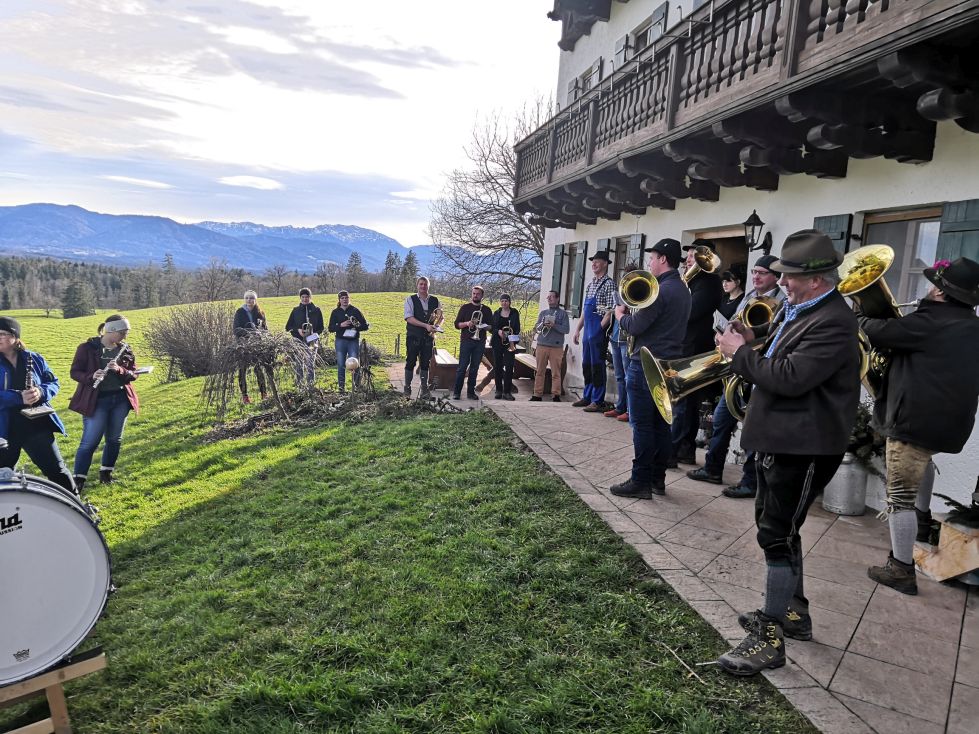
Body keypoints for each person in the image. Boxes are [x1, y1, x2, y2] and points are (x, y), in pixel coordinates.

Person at [713, 230, 860, 677]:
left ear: (816, 279)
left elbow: (791, 377)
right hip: (784, 440)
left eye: (790, 276)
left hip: (804, 446)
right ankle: (794, 613)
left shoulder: (834, 321)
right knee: (779, 528)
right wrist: (751, 335)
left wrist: (741, 355)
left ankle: (770, 637)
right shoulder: (804, 308)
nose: (782, 283)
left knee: (776, 535)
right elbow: (782, 349)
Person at [860, 257, 979, 594]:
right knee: (923, 463)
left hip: (913, 422)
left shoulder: (929, 320)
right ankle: (923, 522)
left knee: (899, 496)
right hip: (948, 425)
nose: (928, 288)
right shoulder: (972, 326)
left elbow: (874, 332)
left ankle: (900, 568)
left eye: (933, 284)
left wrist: (858, 317)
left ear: (940, 292)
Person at [687, 255, 786, 497]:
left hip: (759, 370)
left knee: (753, 427)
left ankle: (750, 481)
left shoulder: (783, 301)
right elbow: (736, 322)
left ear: (776, 277)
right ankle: (712, 469)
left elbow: (773, 337)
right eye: (754, 271)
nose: (756, 276)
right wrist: (725, 334)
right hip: (738, 370)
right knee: (722, 419)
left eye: (761, 272)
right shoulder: (749, 296)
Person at [610, 239, 691, 498]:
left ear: (663, 259)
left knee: (642, 425)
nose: (649, 263)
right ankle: (657, 479)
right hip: (669, 366)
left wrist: (620, 315)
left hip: (645, 364)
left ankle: (640, 481)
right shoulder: (683, 289)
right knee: (661, 425)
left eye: (652, 258)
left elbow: (635, 327)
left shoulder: (659, 291)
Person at [0, 316, 75, 494]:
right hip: (4, 430)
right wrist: (18, 397)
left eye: (2, 334)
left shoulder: (34, 358)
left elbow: (53, 383)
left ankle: (75, 505)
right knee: (3, 476)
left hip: (37, 425)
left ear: (15, 336)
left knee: (57, 472)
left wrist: (41, 392)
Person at [69, 314, 140, 490]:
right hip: (96, 401)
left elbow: (133, 374)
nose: (125, 336)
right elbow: (75, 372)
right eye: (122, 332)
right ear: (111, 331)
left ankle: (106, 475)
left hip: (120, 400)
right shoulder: (87, 348)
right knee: (90, 442)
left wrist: (120, 370)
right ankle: (78, 481)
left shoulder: (125, 349)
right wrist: (91, 376)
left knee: (114, 440)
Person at [671, 239, 724, 466]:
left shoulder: (710, 282)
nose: (688, 259)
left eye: (693, 255)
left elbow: (689, 312)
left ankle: (676, 450)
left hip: (694, 348)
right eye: (689, 255)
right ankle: (683, 449)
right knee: (682, 402)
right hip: (685, 345)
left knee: (684, 402)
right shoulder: (692, 281)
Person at [572, 250, 615, 412]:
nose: (594, 264)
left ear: (605, 264)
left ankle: (597, 400)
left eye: (597, 261)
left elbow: (610, 312)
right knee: (586, 365)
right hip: (587, 331)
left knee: (597, 365)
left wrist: (598, 330)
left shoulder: (609, 284)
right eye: (593, 261)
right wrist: (577, 330)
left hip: (598, 331)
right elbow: (585, 311)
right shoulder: (590, 285)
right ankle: (587, 396)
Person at [604, 261, 640, 422]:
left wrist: (626, 308)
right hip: (615, 337)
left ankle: (630, 411)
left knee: (627, 377)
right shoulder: (620, 292)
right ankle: (620, 407)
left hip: (627, 339)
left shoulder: (638, 293)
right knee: (619, 376)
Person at [452, 285, 494, 400]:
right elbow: (457, 324)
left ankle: (470, 392)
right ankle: (457, 392)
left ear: (482, 296)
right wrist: (467, 324)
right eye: (474, 293)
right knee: (462, 367)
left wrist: (483, 326)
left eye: (478, 294)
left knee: (475, 368)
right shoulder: (465, 308)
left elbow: (491, 327)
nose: (475, 296)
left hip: (479, 342)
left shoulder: (486, 310)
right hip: (466, 341)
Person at [403, 276, 440, 399]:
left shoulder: (435, 300)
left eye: (425, 284)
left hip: (428, 338)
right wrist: (426, 326)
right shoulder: (410, 299)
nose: (423, 286)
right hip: (413, 336)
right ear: (417, 285)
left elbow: (441, 316)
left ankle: (424, 390)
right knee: (410, 361)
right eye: (421, 284)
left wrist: (436, 326)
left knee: (425, 363)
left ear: (428, 286)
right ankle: (407, 389)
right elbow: (409, 318)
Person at [529, 290, 570, 402]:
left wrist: (554, 325)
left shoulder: (563, 314)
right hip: (542, 345)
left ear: (557, 299)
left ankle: (556, 395)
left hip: (556, 347)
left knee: (556, 372)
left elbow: (566, 330)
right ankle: (537, 394)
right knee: (539, 371)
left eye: (552, 297)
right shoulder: (543, 313)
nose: (549, 299)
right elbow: (537, 328)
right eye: (548, 297)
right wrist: (542, 323)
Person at [233, 290, 272, 404]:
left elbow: (265, 328)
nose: (249, 300)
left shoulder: (260, 312)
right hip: (243, 345)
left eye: (251, 298)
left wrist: (262, 335)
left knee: (259, 369)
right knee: (242, 370)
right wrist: (249, 333)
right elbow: (236, 329)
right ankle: (245, 396)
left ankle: (264, 393)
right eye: (247, 298)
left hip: (257, 345)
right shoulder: (240, 312)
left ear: (255, 300)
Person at [328, 290, 369, 394]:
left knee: (355, 364)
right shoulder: (335, 312)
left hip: (353, 341)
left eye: (346, 298)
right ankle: (341, 389)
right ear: (339, 300)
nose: (345, 300)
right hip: (340, 341)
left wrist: (356, 325)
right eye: (342, 298)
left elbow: (365, 326)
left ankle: (357, 388)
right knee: (341, 364)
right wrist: (340, 325)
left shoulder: (355, 310)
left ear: (349, 299)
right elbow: (330, 328)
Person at [285, 287, 325, 388]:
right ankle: (300, 385)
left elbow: (321, 327)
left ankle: (311, 386)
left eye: (307, 297)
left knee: (310, 363)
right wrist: (298, 330)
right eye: (302, 297)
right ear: (300, 298)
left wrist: (313, 333)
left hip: (312, 340)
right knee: (299, 363)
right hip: (298, 340)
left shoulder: (316, 310)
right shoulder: (296, 311)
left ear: (310, 297)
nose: (304, 299)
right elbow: (288, 327)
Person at [490, 293, 521, 400]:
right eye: (502, 301)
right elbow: (492, 328)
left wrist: (511, 335)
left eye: (506, 301)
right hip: (497, 343)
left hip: (510, 343)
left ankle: (507, 392)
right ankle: (498, 390)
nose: (504, 303)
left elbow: (517, 328)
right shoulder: (496, 313)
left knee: (509, 367)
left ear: (509, 302)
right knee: (498, 366)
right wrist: (498, 331)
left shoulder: (514, 313)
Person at [714, 264, 747, 332]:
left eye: (728, 281)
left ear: (738, 282)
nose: (724, 285)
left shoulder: (744, 299)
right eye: (723, 281)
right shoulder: (724, 298)